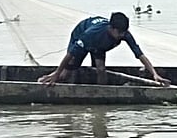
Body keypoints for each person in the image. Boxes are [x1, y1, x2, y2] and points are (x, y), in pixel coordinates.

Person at [38, 12, 169, 86]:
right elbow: (69, 55)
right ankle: (45, 79)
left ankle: (101, 91)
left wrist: (154, 74)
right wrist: (56, 74)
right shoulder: (90, 35)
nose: (122, 36)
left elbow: (139, 54)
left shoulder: (124, 34)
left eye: (124, 33)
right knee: (64, 74)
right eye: (120, 33)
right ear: (111, 28)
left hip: (100, 46)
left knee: (101, 70)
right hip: (82, 35)